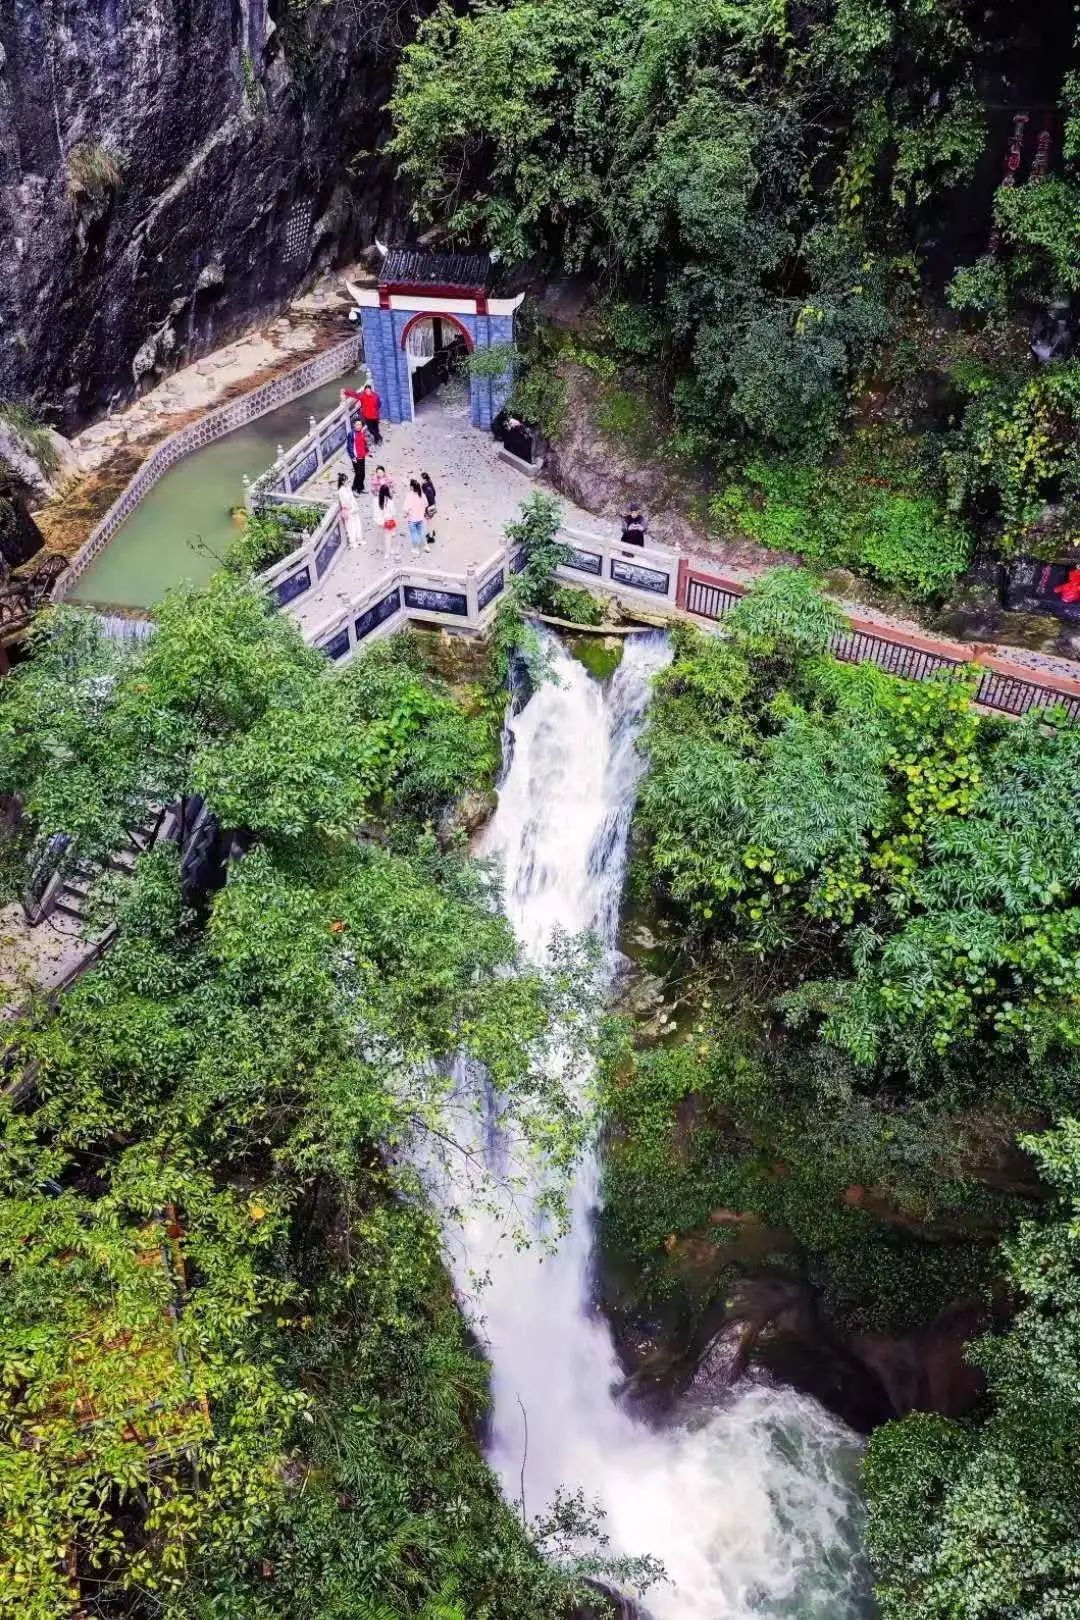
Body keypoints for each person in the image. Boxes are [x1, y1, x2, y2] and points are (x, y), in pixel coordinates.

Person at [370, 466, 396, 556]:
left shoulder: (389, 479)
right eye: (378, 472)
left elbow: (392, 487)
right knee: (387, 536)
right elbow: (373, 490)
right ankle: (389, 549)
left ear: (384, 472)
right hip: (380, 502)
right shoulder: (374, 481)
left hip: (385, 507)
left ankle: (388, 549)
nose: (379, 473)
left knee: (386, 535)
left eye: (381, 472)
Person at [336, 472, 363, 551]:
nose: (347, 482)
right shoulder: (341, 491)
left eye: (347, 480)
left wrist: (355, 506)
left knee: (357, 523)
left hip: (354, 508)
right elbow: (344, 503)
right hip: (349, 510)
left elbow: (352, 498)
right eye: (345, 480)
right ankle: (353, 541)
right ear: (342, 482)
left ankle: (359, 539)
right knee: (350, 527)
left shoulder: (348, 488)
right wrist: (351, 508)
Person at [405, 478, 428, 552]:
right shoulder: (422, 494)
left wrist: (406, 513)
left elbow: (406, 508)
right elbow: (426, 504)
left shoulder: (409, 496)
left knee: (414, 534)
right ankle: (426, 546)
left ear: (411, 487)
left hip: (412, 519)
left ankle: (415, 548)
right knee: (421, 532)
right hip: (420, 518)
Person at [346, 418, 368, 493]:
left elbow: (363, 443)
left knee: (363, 474)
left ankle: (360, 488)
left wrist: (366, 451)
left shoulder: (361, 432)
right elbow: (349, 447)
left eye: (360, 424)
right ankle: (354, 488)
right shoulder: (351, 434)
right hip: (356, 457)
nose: (359, 426)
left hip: (362, 456)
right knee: (358, 474)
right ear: (354, 425)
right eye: (357, 424)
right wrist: (352, 457)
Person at [420, 470, 437, 546]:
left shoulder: (426, 488)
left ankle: (430, 537)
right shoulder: (430, 484)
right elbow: (435, 493)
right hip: (433, 505)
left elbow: (425, 499)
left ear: (424, 479)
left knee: (428, 522)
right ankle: (432, 532)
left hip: (429, 507)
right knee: (431, 521)